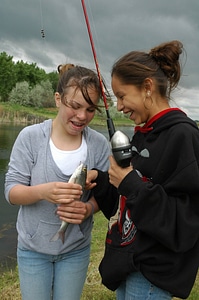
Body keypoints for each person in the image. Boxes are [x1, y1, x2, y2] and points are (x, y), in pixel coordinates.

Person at [86, 40, 199, 299]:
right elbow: (130, 192)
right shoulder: (142, 135)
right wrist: (103, 180)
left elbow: (186, 221)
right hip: (127, 262)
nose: (119, 106)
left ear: (147, 87)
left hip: (152, 273)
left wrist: (131, 184)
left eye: (122, 95)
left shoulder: (182, 136)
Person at [4, 64, 110, 300]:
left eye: (90, 109)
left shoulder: (98, 145)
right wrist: (43, 192)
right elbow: (11, 192)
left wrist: (88, 208)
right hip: (33, 251)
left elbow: (104, 194)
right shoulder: (30, 138)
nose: (82, 116)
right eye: (74, 106)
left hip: (76, 250)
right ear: (58, 99)